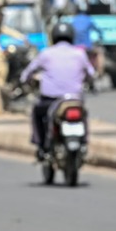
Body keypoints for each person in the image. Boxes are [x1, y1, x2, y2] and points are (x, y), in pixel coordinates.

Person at [20, 22, 95, 159]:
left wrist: (26, 81)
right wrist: (88, 82)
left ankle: (41, 145)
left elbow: (27, 73)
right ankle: (84, 142)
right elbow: (91, 73)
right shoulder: (80, 54)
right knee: (83, 114)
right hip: (75, 99)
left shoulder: (46, 54)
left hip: (50, 100)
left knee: (37, 113)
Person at [71, 5, 103, 89]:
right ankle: (98, 73)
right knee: (98, 54)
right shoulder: (89, 20)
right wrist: (101, 36)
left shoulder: (74, 20)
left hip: (75, 47)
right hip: (86, 47)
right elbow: (98, 30)